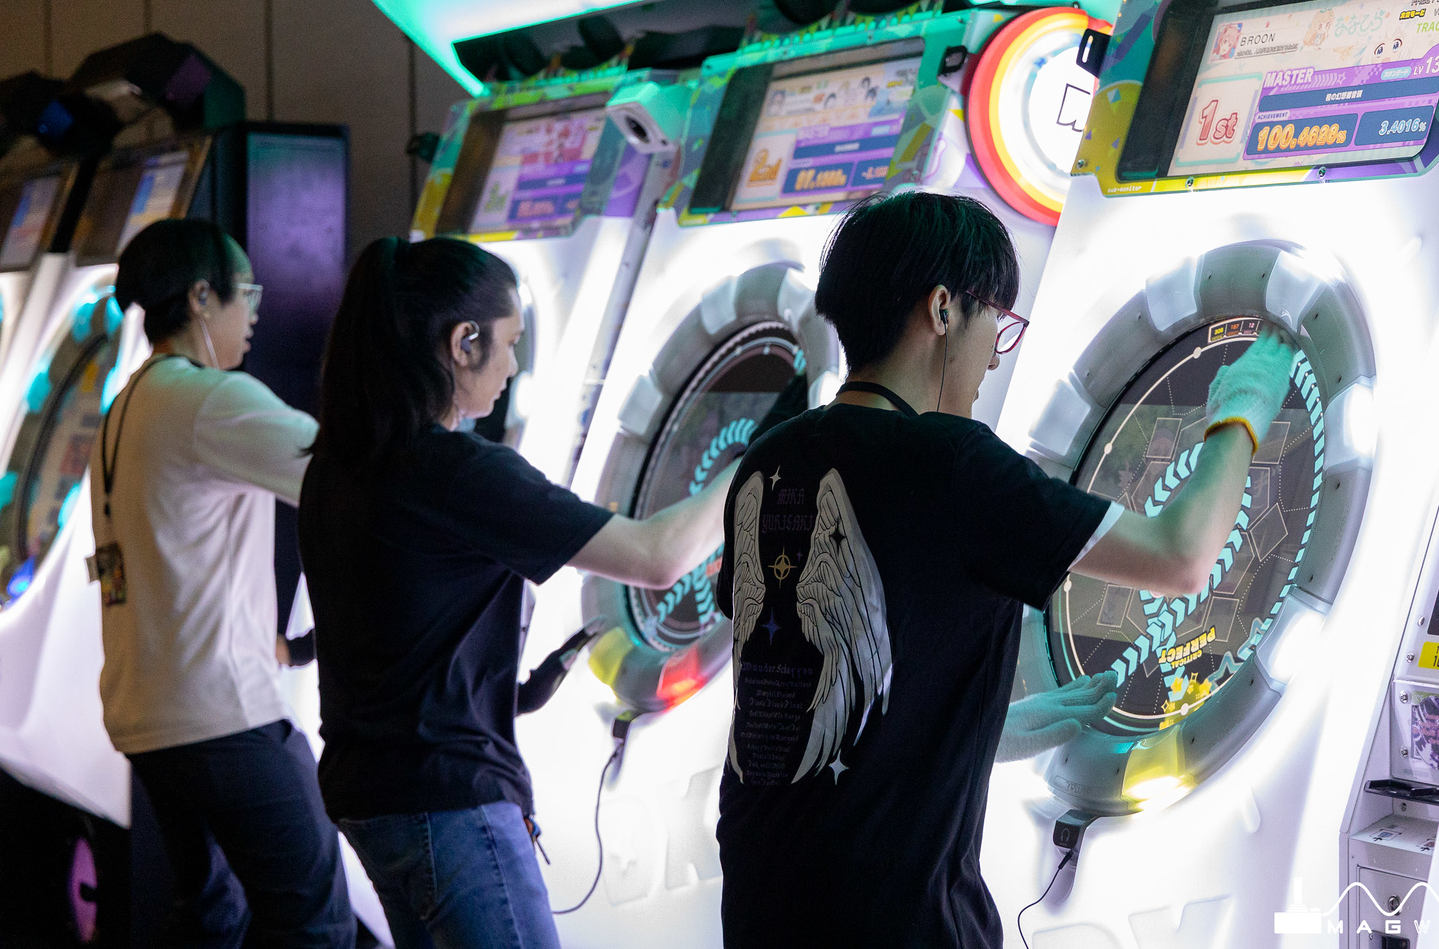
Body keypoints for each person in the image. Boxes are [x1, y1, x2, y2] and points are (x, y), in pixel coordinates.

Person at [714, 191, 1296, 949]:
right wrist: (1242, 410)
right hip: (893, 913)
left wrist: (981, 730)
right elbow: (1183, 556)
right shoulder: (952, 460)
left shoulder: (772, 456)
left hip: (760, 894)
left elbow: (799, 675)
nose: (995, 354)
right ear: (942, 309)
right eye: (997, 320)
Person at [297, 236, 803, 949]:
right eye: (508, 343)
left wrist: (498, 689)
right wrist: (769, 453)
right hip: (448, 798)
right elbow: (659, 557)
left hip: (371, 793)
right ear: (463, 342)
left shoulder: (339, 465)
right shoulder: (458, 472)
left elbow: (391, 630)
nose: (512, 365)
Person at [90, 218, 353, 948]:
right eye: (249, 293)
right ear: (202, 298)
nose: (256, 312)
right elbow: (348, 475)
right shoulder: (209, 398)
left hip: (151, 715)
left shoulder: (126, 406)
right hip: (223, 717)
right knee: (315, 923)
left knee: (213, 917)